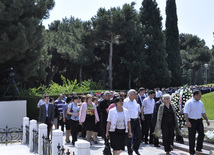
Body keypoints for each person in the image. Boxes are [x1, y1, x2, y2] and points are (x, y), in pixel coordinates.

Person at [184, 90, 210, 155]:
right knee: (192, 136)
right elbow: (186, 113)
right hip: (191, 121)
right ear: (195, 95)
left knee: (201, 134)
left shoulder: (201, 103)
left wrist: (206, 120)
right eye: (199, 95)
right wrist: (187, 121)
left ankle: (198, 148)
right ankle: (191, 151)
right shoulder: (189, 102)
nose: (201, 97)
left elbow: (203, 113)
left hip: (199, 121)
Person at [123, 89, 141, 155]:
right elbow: (124, 112)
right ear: (130, 95)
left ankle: (135, 148)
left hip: (136, 120)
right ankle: (129, 151)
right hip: (129, 121)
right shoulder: (125, 101)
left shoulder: (134, 101)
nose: (136, 95)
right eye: (135, 94)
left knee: (139, 136)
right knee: (129, 137)